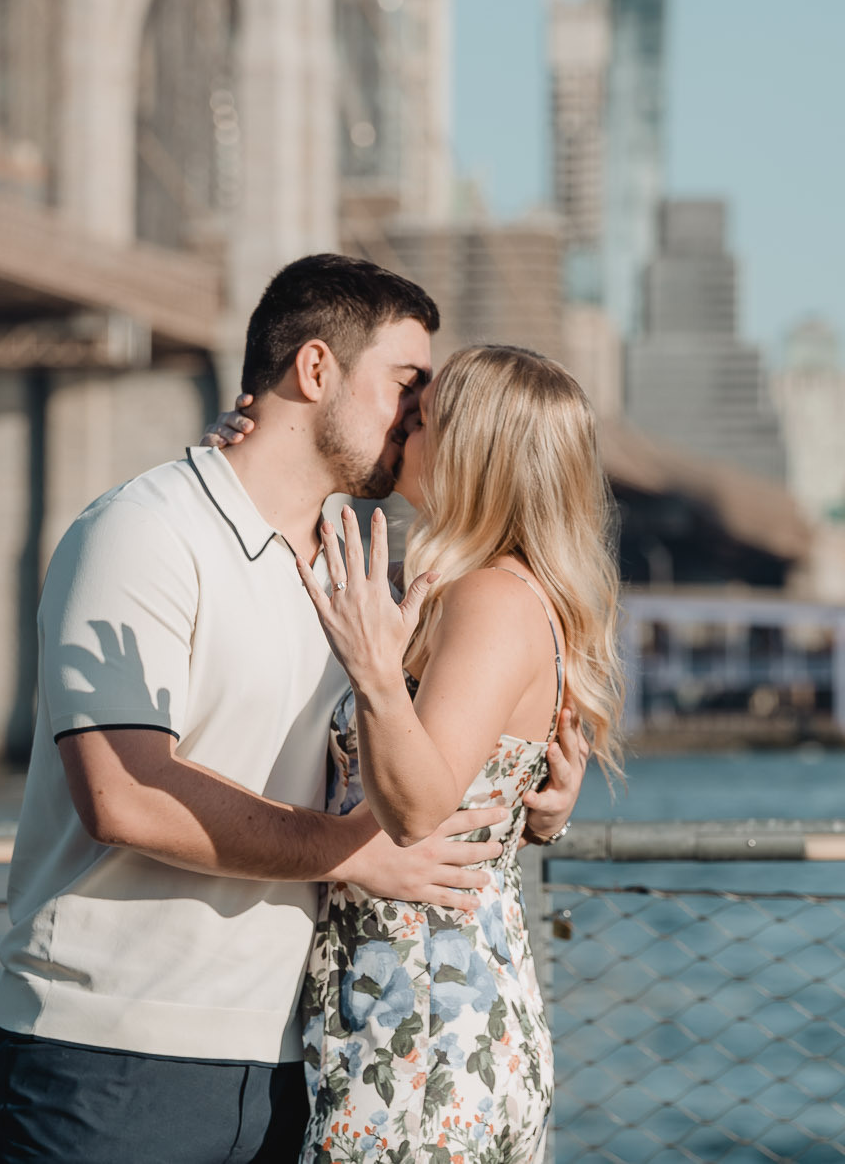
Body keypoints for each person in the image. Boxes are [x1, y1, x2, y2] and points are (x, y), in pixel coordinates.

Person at [0, 255, 583, 1164]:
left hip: (295, 1064)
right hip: (109, 1060)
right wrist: (358, 853)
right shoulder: (146, 530)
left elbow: (446, 743)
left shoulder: (354, 566)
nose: (418, 415)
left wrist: (537, 801)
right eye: (407, 384)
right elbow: (127, 794)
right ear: (316, 370)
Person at [211, 344, 624, 1163]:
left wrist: (374, 672)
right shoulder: (470, 590)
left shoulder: (493, 599)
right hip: (419, 1012)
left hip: (426, 1028)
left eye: (424, 419)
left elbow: (418, 806)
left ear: (476, 455)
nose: (401, 426)